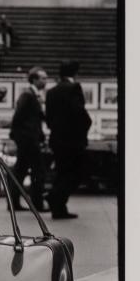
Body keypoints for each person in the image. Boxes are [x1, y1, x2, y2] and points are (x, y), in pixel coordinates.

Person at [45, 60, 92, 219]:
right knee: (75, 173)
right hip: (73, 140)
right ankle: (55, 198)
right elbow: (79, 112)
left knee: (62, 171)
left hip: (57, 138)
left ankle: (59, 206)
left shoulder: (51, 91)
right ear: (75, 72)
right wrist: (87, 124)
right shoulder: (74, 88)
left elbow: (49, 117)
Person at [9, 67, 48, 212]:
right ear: (34, 79)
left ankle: (13, 203)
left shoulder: (32, 94)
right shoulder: (28, 95)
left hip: (27, 138)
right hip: (28, 139)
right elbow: (19, 116)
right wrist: (19, 135)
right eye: (43, 78)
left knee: (21, 170)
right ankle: (37, 203)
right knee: (38, 170)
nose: (45, 81)